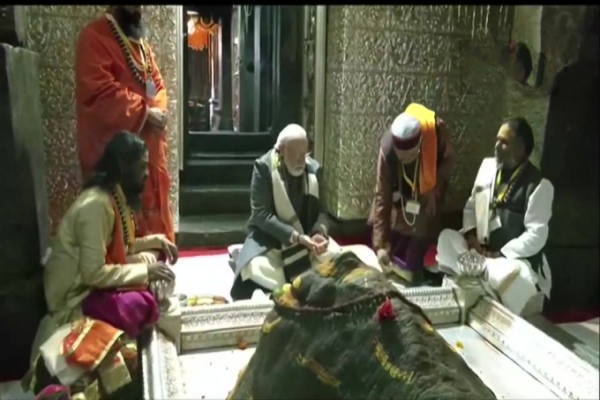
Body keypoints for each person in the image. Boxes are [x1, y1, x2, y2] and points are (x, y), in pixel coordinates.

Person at [23, 132, 179, 398]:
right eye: (141, 166)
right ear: (123, 168)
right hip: (75, 294)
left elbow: (123, 246)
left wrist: (157, 240)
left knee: (152, 267)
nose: (146, 174)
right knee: (140, 303)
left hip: (91, 281)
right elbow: (93, 273)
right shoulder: (96, 205)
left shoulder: (113, 198)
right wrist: (145, 271)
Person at [229, 124, 380, 300]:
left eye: (305, 154)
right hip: (272, 242)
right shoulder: (263, 168)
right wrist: (296, 237)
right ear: (282, 151)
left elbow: (323, 212)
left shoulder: (313, 170)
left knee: (337, 260)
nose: (303, 161)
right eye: (297, 155)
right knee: (255, 267)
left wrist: (319, 233)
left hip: (308, 240)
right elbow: (261, 215)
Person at [75, 5, 174, 242]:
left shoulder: (141, 46)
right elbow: (99, 92)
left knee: (154, 211)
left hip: (148, 148)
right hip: (120, 156)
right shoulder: (94, 37)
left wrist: (157, 111)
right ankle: (130, 271)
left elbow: (158, 85)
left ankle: (156, 261)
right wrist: (144, 113)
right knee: (121, 225)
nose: (139, 8)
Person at [436, 117, 554, 315]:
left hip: (507, 260)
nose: (497, 146)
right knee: (446, 237)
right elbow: (470, 207)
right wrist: (472, 238)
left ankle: (479, 277)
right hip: (478, 252)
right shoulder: (488, 167)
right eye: (497, 140)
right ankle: (480, 274)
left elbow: (537, 235)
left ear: (521, 149)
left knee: (517, 275)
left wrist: (500, 254)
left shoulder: (540, 185)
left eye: (505, 143)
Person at [368, 103, 455, 286]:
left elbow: (448, 161)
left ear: (421, 144)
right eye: (402, 157)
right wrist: (380, 245)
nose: (405, 160)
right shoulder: (388, 149)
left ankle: (417, 277)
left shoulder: (435, 133)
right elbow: (382, 195)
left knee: (418, 241)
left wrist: (435, 187)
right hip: (399, 196)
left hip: (427, 193)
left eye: (410, 156)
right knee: (387, 247)